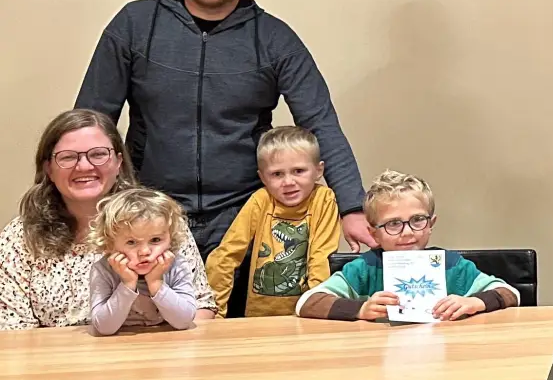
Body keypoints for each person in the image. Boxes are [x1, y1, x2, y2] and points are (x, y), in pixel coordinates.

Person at [75, 0, 374, 277]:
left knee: (242, 329)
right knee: (149, 327)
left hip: (246, 215)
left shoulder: (275, 39)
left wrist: (352, 208)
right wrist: (78, 204)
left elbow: (320, 123)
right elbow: (90, 123)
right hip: (149, 216)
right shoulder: (134, 25)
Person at [0, 109, 217, 331]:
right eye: (67, 157)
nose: (84, 166)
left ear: (118, 163)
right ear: (49, 169)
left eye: (98, 154)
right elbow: (12, 331)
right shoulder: (20, 238)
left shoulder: (162, 222)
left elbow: (202, 308)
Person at [295, 171, 519, 321]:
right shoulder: (363, 269)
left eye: (417, 220)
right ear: (374, 233)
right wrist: (360, 309)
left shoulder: (451, 266)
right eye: (393, 224)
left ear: (431, 224)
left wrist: (475, 302)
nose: (408, 232)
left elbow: (510, 293)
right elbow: (307, 302)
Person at [206, 126, 340, 318]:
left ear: (318, 170)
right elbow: (225, 257)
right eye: (277, 174)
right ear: (262, 177)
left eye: (298, 171)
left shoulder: (324, 200)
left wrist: (315, 308)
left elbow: (320, 259)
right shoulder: (260, 200)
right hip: (258, 318)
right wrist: (215, 314)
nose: (288, 182)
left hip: (306, 315)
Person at [88, 188, 203, 336]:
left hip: (168, 342)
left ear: (171, 238)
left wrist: (156, 283)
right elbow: (103, 327)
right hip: (117, 347)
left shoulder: (175, 264)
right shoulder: (103, 270)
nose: (144, 252)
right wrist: (127, 284)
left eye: (155, 240)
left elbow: (184, 321)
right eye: (131, 242)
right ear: (109, 244)